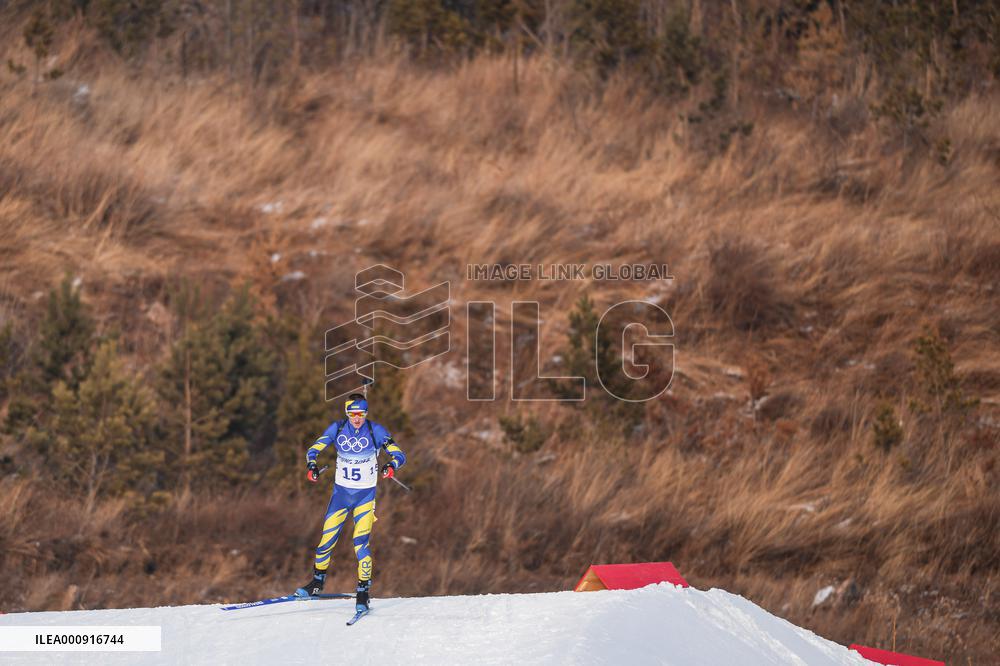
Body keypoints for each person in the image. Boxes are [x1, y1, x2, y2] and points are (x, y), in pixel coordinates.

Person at [295, 393, 406, 612]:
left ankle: (363, 591)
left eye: (361, 413)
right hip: (341, 496)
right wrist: (311, 466)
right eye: (352, 413)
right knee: (326, 540)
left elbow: (399, 454)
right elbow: (313, 449)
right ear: (346, 412)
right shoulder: (337, 429)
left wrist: (391, 464)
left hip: (365, 497)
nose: (357, 418)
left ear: (366, 413)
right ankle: (317, 583)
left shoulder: (376, 431)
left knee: (360, 544)